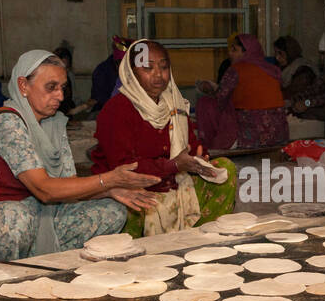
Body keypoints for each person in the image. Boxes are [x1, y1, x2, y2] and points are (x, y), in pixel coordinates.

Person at [0, 50, 159, 264]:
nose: (60, 96)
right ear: (23, 86)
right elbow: (44, 190)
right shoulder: (7, 122)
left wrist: (109, 190)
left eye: (62, 88)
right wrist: (108, 179)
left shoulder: (55, 124)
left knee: (112, 211)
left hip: (34, 215)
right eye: (51, 87)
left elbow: (67, 185)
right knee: (13, 218)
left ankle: (43, 267)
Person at [92, 39, 237, 237]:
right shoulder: (117, 109)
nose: (158, 75)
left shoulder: (174, 103)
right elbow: (125, 169)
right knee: (127, 202)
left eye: (163, 67)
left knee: (226, 169)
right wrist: (174, 166)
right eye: (148, 68)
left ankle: (198, 242)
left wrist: (199, 159)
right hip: (130, 187)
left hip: (175, 182)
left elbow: (190, 146)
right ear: (132, 74)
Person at [195, 33, 288, 150]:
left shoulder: (236, 70)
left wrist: (211, 89)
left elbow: (220, 99)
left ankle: (209, 148)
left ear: (247, 52)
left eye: (234, 50)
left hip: (251, 136)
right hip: (279, 134)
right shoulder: (273, 70)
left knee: (205, 103)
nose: (230, 53)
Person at [275, 35, 325, 121]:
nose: (322, 58)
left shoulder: (304, 70)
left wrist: (307, 103)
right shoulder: (324, 74)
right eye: (321, 54)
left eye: (324, 54)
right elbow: (312, 90)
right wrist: (292, 101)